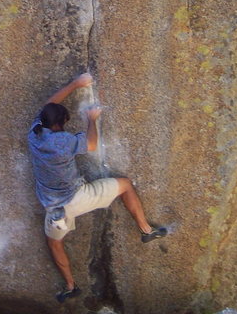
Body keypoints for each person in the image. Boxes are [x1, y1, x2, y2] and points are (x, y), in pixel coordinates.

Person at [27, 72, 167, 303]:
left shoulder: (34, 133)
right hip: (77, 197)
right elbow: (91, 144)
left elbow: (48, 105)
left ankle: (71, 286)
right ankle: (146, 230)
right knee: (125, 185)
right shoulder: (63, 141)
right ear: (61, 123)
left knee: (54, 243)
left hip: (54, 209)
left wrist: (75, 84)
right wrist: (92, 119)